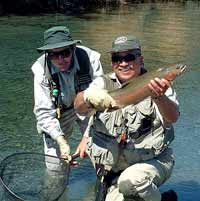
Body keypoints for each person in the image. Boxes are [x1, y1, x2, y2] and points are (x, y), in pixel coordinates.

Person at [74, 35, 179, 201]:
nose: (123, 63)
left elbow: (173, 117)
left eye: (129, 57)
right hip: (115, 171)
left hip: (154, 163)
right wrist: (87, 96)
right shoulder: (102, 84)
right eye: (117, 58)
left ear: (141, 59)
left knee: (132, 181)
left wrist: (159, 97)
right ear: (112, 62)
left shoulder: (158, 83)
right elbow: (79, 106)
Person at [31, 26, 103, 170]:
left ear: (73, 48)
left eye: (65, 53)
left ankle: (105, 183)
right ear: (47, 54)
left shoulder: (90, 59)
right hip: (59, 112)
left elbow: (101, 101)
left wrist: (87, 137)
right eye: (53, 55)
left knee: (101, 150)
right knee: (54, 166)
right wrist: (60, 140)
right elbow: (44, 113)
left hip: (89, 108)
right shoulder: (40, 70)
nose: (61, 59)